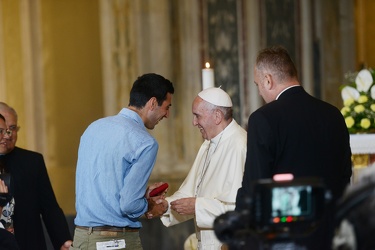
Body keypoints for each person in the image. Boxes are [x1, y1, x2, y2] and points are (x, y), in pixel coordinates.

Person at [235, 46, 352, 249]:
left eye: (258, 85)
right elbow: (344, 176)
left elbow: (256, 185)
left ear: (268, 80)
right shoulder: (333, 114)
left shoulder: (263, 119)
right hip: (329, 234)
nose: (260, 92)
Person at [72, 73, 174, 250]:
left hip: (81, 238)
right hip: (115, 241)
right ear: (152, 103)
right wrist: (150, 206)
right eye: (166, 107)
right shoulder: (145, 142)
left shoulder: (93, 128)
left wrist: (141, 194)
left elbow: (104, 189)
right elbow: (128, 204)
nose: (167, 114)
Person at [154, 87, 247, 249]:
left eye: (197, 116)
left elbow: (239, 210)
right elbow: (190, 193)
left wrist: (197, 206)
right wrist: (166, 205)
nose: (194, 122)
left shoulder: (239, 144)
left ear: (217, 116)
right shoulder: (208, 144)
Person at [0, 103, 72, 250]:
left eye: (12, 128)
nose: (7, 135)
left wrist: (63, 240)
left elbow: (49, 207)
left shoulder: (32, 162)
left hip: (29, 243)